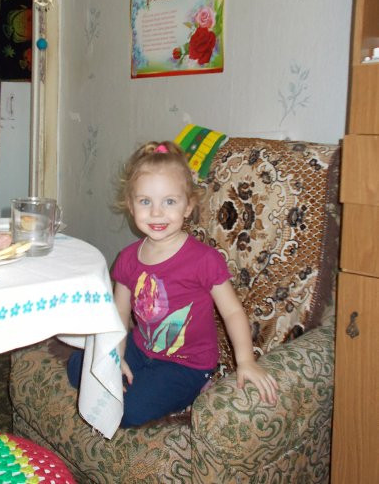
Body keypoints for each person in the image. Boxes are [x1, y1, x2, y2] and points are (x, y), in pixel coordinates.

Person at [67, 140, 278, 428]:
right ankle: (137, 379)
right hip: (141, 347)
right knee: (77, 366)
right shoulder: (127, 258)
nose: (156, 213)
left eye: (169, 202)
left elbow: (232, 312)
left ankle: (189, 389)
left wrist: (246, 361)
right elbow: (120, 313)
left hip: (186, 364)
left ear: (188, 206)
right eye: (145, 202)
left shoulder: (204, 259)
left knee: (128, 412)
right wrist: (116, 357)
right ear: (130, 206)